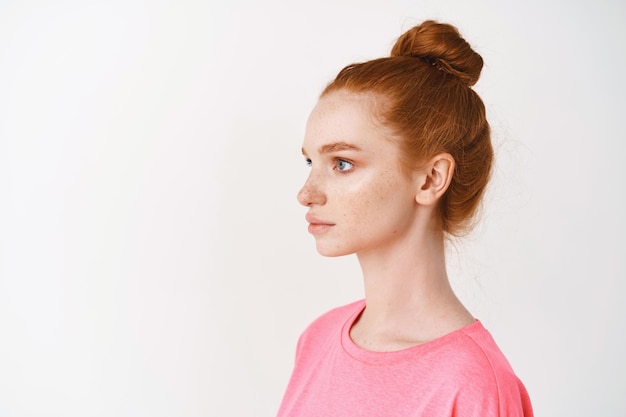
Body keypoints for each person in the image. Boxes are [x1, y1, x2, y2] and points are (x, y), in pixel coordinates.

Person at [277, 20, 533, 417]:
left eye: (342, 163)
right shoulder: (317, 339)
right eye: (311, 161)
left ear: (431, 179)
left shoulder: (472, 385)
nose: (306, 193)